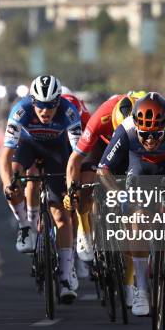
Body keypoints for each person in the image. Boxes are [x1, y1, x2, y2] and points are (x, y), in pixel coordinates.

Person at [97, 92, 165, 315]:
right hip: (141, 168)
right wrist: (118, 194)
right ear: (136, 125)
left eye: (156, 135)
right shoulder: (125, 129)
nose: (150, 141)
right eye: (144, 134)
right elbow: (103, 169)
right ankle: (141, 289)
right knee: (137, 220)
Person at [0, 74, 81, 303]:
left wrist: (72, 186)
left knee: (61, 215)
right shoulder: (20, 111)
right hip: (28, 146)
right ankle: (25, 226)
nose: (45, 111)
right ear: (32, 102)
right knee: (16, 178)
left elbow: (77, 156)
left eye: (51, 106)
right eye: (41, 106)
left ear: (59, 102)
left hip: (57, 149)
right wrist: (8, 185)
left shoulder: (69, 112)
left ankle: (66, 275)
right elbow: (5, 156)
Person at [64, 90, 146, 308]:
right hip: (101, 147)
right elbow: (75, 160)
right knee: (87, 184)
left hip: (131, 150)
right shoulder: (100, 117)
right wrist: (72, 189)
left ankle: (129, 285)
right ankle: (85, 230)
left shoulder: (143, 114)